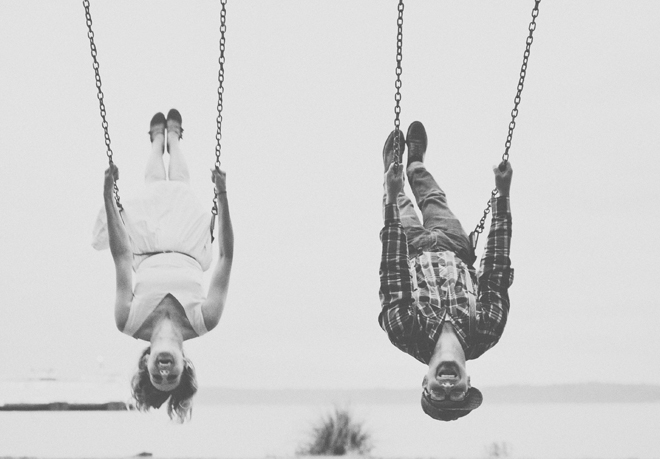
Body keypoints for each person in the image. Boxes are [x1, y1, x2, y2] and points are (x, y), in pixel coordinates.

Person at [92, 109, 234, 422]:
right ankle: (174, 139)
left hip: (146, 246)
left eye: (158, 377)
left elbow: (121, 257)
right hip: (190, 244)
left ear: (146, 364)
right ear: (185, 365)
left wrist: (107, 195)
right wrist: (222, 194)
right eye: (172, 377)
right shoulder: (205, 320)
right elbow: (225, 257)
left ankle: (158, 140)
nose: (164, 372)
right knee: (179, 184)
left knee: (155, 185)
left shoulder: (127, 321)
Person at [379, 121, 513, 421]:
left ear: (425, 383)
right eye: (457, 394)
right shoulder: (487, 330)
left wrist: (390, 198)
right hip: (456, 247)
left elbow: (393, 270)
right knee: (434, 197)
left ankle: (393, 167)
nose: (448, 387)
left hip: (410, 246)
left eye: (438, 394)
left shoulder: (405, 333)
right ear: (468, 382)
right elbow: (496, 270)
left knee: (399, 199)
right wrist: (502, 197)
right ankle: (416, 164)